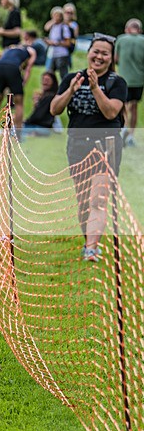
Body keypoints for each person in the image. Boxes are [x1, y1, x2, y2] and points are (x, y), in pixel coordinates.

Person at [50, 34, 127, 262]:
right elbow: (54, 109)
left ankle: (91, 248)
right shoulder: (72, 78)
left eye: (105, 53)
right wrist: (71, 90)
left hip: (106, 144)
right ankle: (88, 241)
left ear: (111, 58)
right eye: (96, 51)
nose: (99, 56)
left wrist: (95, 88)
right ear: (88, 53)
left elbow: (111, 112)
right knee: (83, 201)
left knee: (98, 199)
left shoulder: (116, 82)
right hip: (77, 145)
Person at [0, 30, 37, 133]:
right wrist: (23, 83)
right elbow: (28, 68)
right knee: (19, 102)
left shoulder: (10, 48)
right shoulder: (31, 50)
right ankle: (18, 133)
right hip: (12, 68)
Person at [115, 18, 144, 147]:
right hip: (139, 79)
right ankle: (131, 135)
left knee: (123, 106)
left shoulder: (121, 39)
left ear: (127, 29)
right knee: (134, 106)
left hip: (124, 79)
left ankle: (124, 128)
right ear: (140, 29)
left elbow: (116, 59)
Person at [22, 71, 59, 137]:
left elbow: (38, 116)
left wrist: (25, 121)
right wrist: (36, 103)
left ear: (53, 83)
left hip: (41, 128)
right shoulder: (48, 96)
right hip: (42, 128)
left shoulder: (49, 97)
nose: (44, 82)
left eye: (47, 80)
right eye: (43, 80)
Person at [44, 6, 72, 81]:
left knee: (63, 75)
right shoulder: (53, 26)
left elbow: (68, 42)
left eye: (57, 15)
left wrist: (55, 43)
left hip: (62, 54)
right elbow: (46, 27)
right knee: (50, 74)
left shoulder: (64, 27)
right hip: (53, 54)